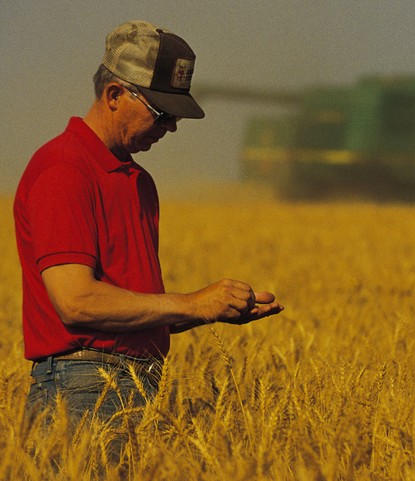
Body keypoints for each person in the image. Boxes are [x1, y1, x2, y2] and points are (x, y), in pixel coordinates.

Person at [14, 20, 283, 430]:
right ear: (115, 95)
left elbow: (131, 307)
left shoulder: (136, 181)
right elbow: (77, 301)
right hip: (82, 386)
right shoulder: (64, 168)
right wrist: (193, 302)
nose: (171, 127)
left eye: (176, 116)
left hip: (132, 384)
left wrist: (214, 309)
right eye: (162, 114)